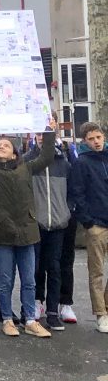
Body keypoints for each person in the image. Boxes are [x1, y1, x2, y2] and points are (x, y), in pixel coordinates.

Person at [0, 119, 56, 338]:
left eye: (6, 145)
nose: (1, 146)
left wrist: (49, 130)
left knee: (29, 280)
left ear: (15, 154)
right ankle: (7, 319)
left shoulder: (26, 167)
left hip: (27, 231)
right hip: (2, 233)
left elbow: (47, 156)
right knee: (5, 280)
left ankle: (31, 320)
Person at [69, 121, 108, 333]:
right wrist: (88, 223)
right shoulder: (81, 162)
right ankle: (101, 315)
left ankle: (107, 308)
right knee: (97, 272)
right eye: (91, 139)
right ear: (85, 141)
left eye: (98, 137)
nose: (96, 142)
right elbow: (78, 193)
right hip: (96, 225)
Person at [31, 132, 72, 331]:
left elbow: (72, 190)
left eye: (44, 133)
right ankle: (36, 302)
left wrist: (67, 211)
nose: (41, 137)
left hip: (57, 224)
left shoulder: (63, 162)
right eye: (37, 133)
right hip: (36, 223)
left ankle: (53, 312)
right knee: (36, 267)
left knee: (54, 268)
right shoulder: (28, 161)